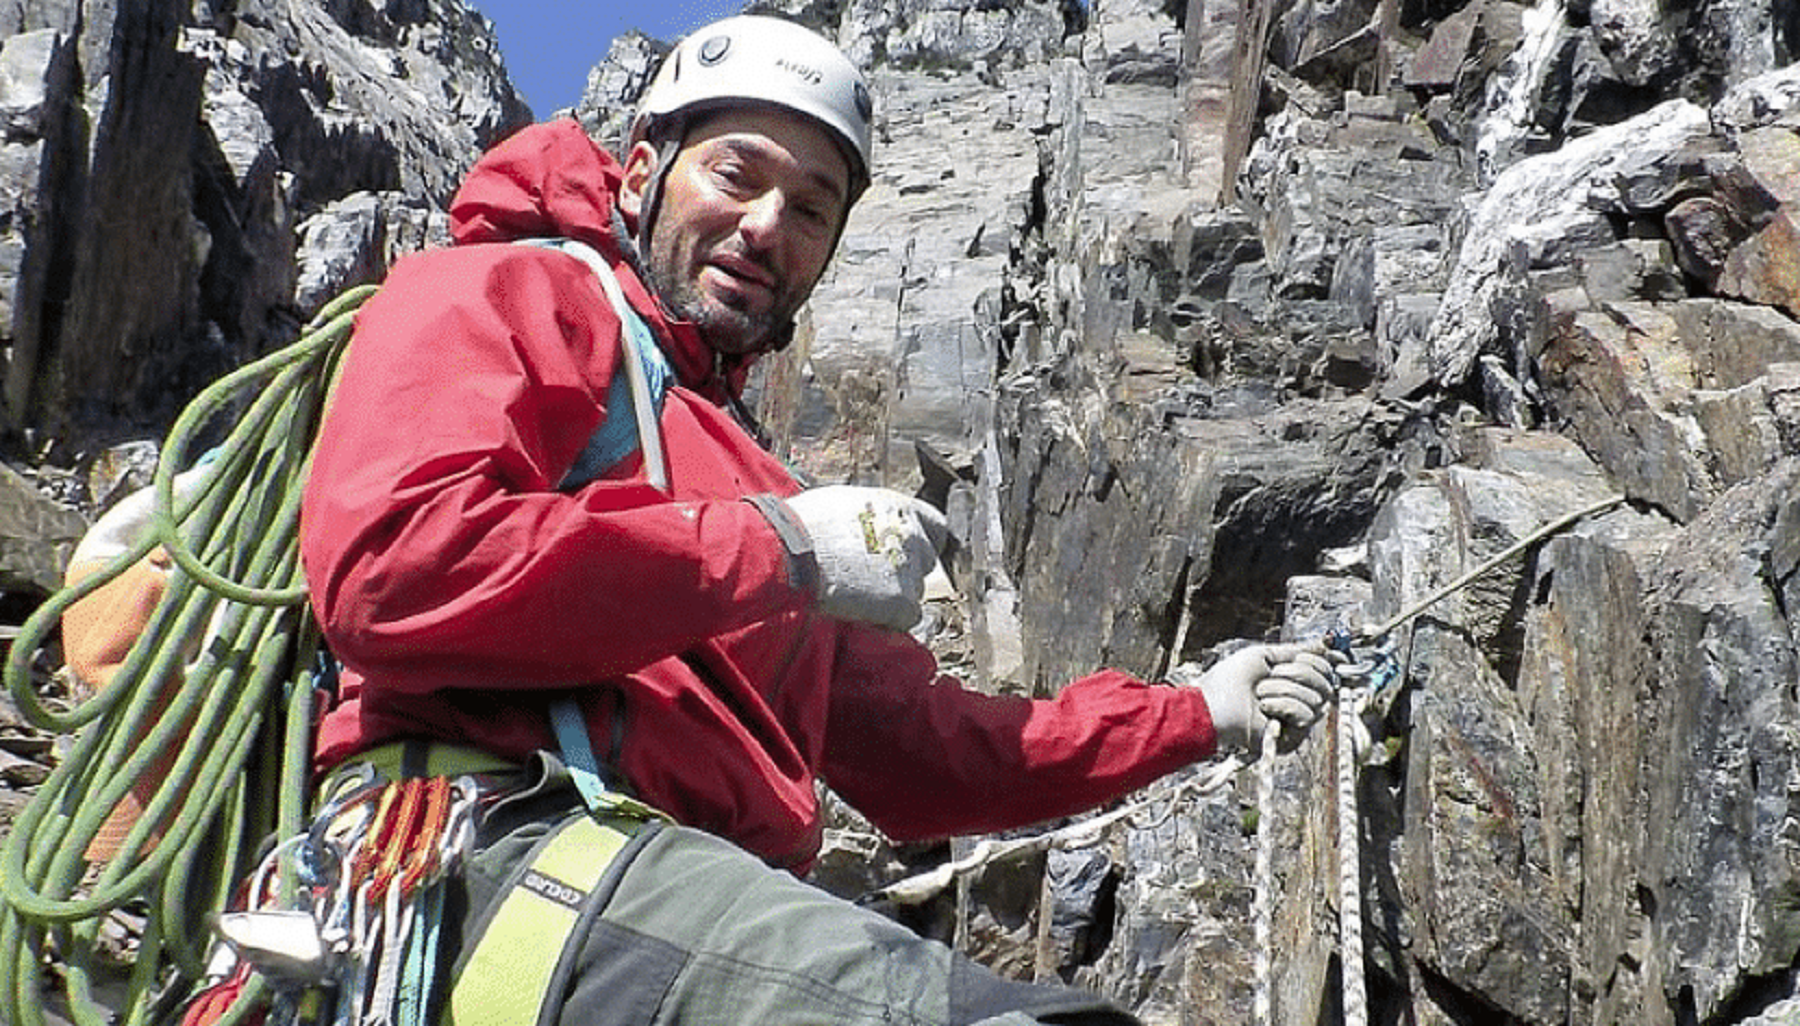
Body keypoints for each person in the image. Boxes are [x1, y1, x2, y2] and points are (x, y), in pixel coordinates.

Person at [297, 14, 1337, 1026]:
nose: (766, 228)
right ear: (638, 173)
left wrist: (1194, 715)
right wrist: (783, 550)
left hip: (671, 908)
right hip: (510, 858)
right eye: (736, 176)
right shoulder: (508, 291)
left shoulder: (744, 475)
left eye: (810, 210)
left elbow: (928, 754)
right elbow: (392, 569)